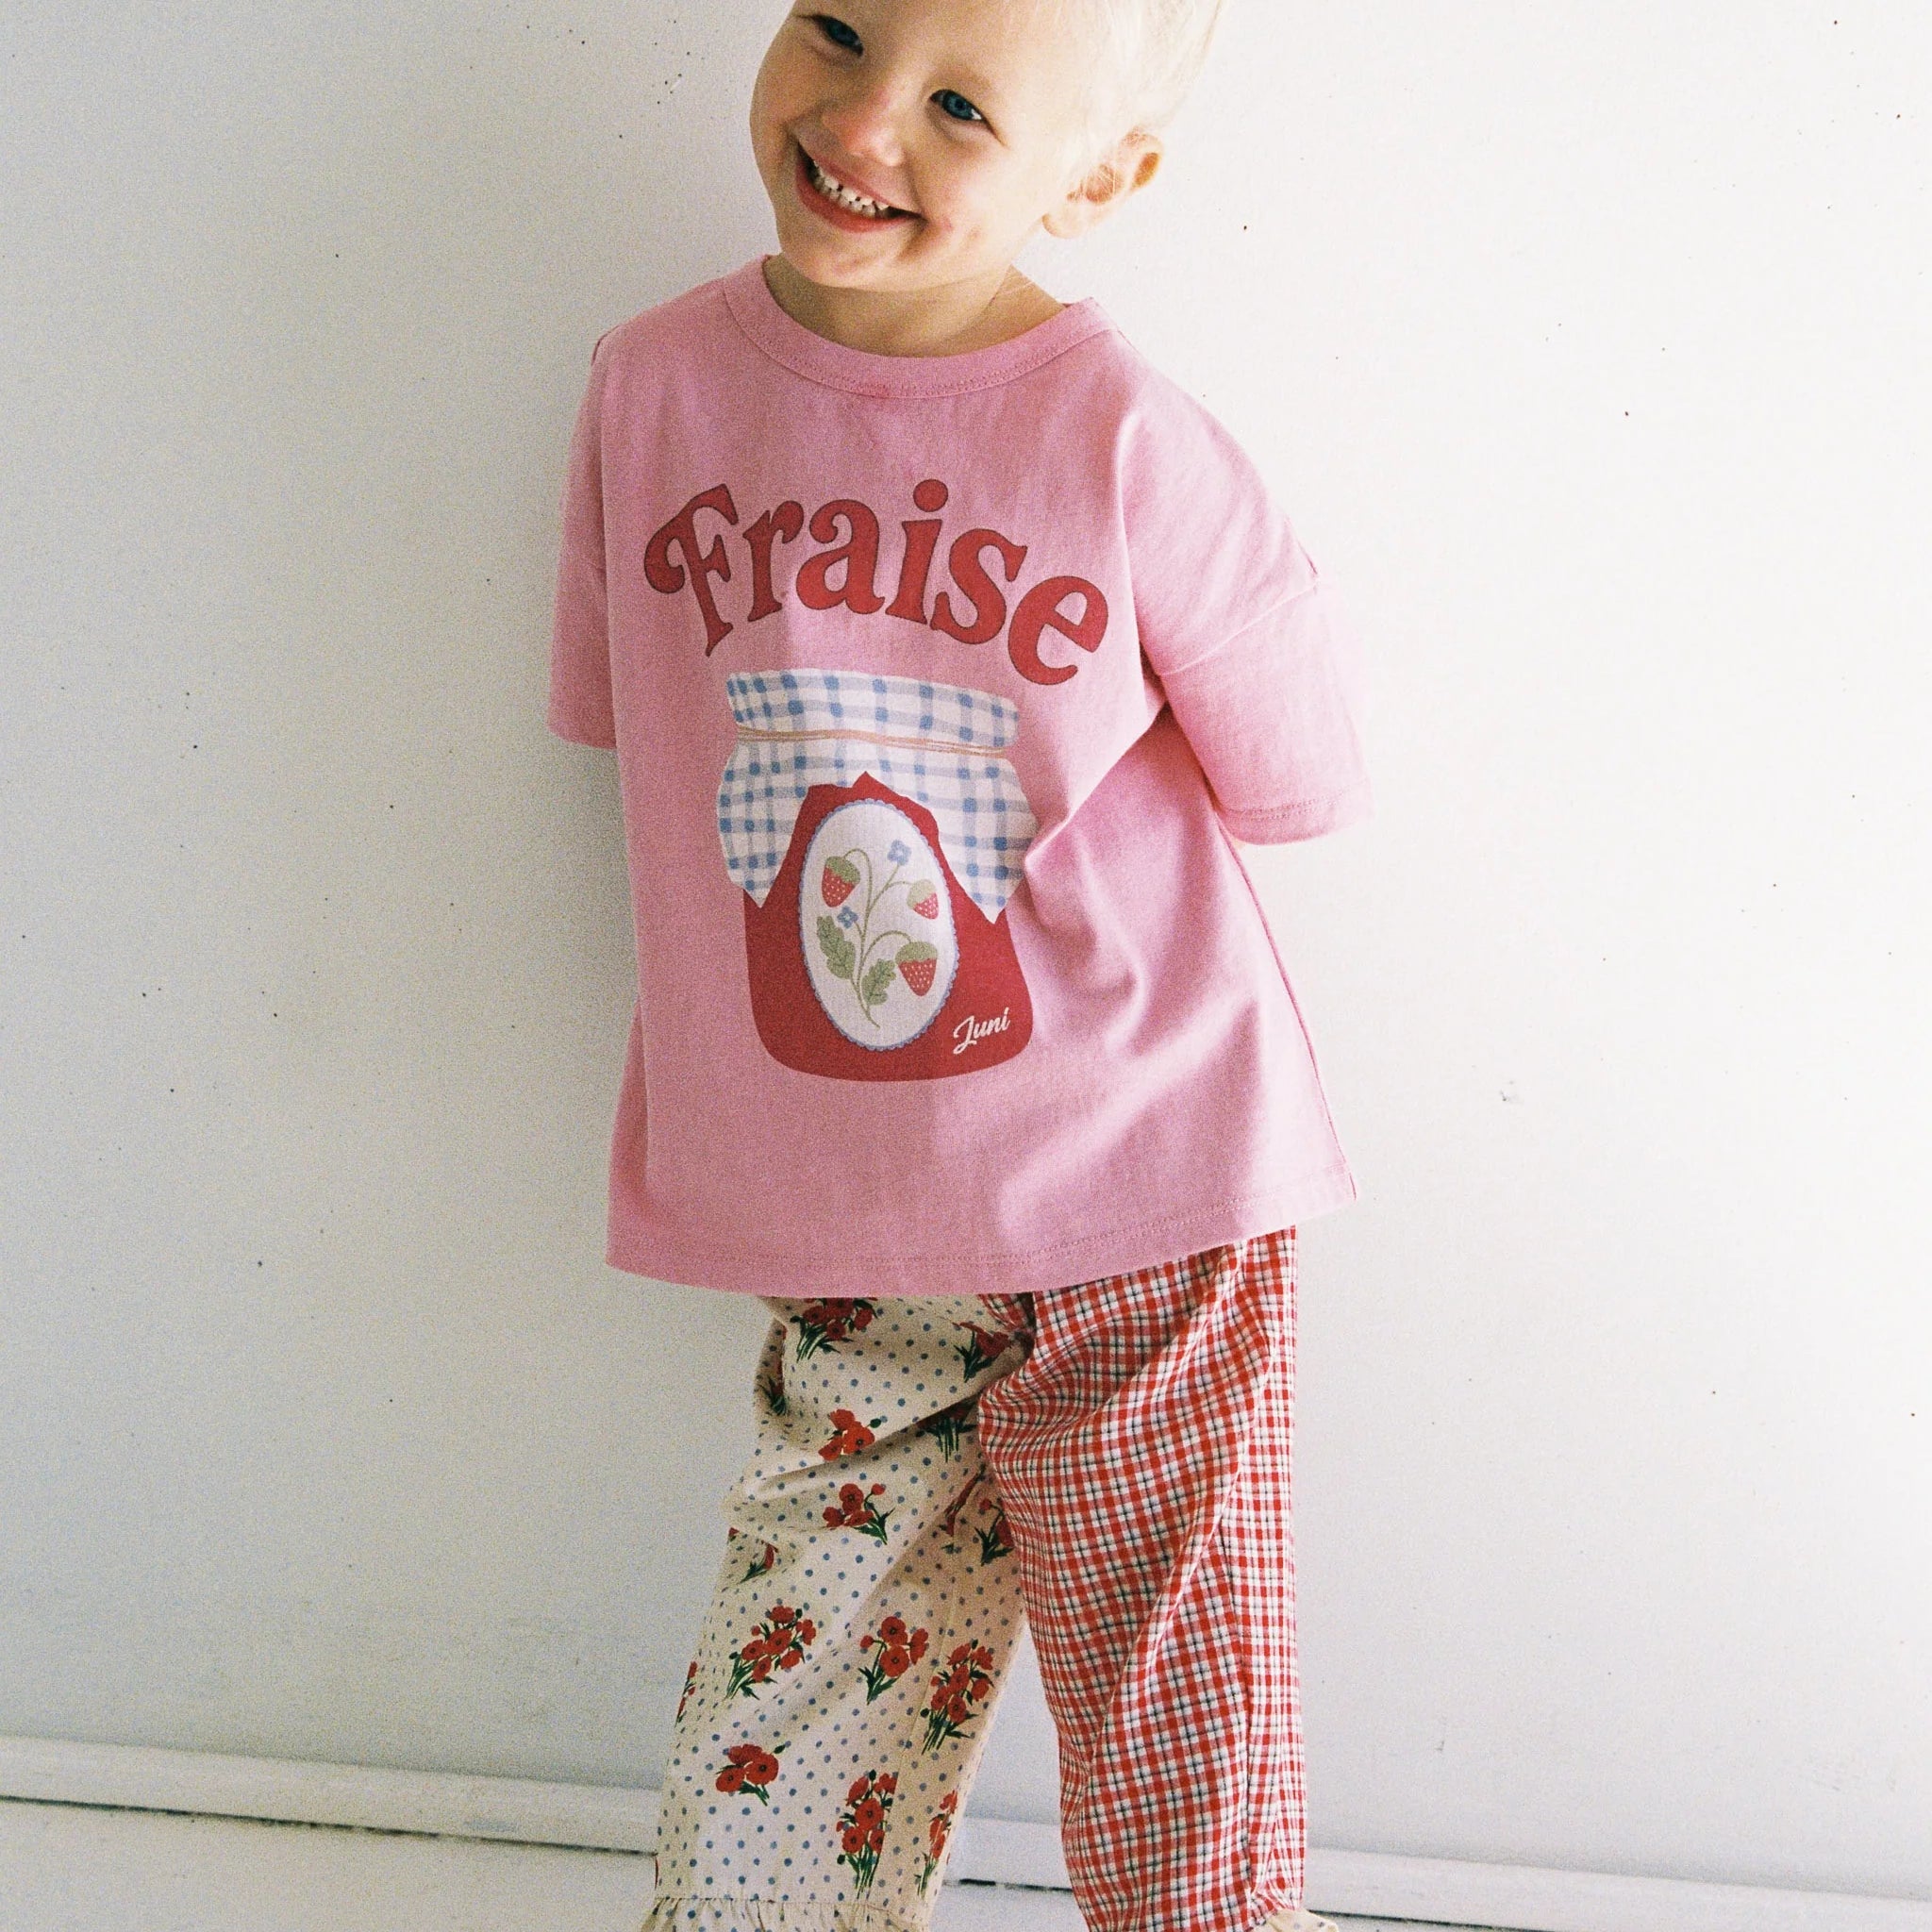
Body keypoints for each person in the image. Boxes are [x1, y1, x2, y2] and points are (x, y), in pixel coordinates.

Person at [547, 2, 1373, 1927]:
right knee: (797, 1695)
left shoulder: (1121, 434)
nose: (861, 115)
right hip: (847, 1210)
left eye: (965, 103)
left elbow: (1301, 775)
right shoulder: (648, 387)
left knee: (1177, 1722)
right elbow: (641, 732)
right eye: (836, 24)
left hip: (1145, 1182)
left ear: (1098, 180)